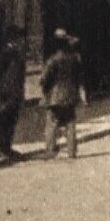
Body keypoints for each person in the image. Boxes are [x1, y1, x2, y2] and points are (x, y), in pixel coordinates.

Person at [41, 30, 87, 158]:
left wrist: (45, 90)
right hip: (70, 96)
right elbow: (79, 77)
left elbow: (44, 78)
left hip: (55, 98)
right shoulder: (74, 58)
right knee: (70, 123)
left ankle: (50, 151)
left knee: (52, 124)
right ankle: (72, 151)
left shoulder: (53, 60)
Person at [0, 27, 27, 160]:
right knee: (1, 120)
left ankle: (5, 148)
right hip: (4, 94)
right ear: (13, 39)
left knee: (10, 121)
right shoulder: (6, 53)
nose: (22, 41)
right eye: (20, 38)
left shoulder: (17, 53)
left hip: (13, 93)